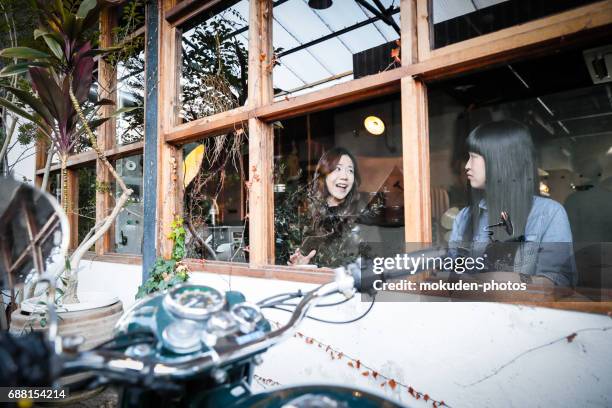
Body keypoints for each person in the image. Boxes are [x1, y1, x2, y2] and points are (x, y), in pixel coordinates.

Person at [448, 120, 576, 287]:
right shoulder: (464, 217)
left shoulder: (548, 214)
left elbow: (557, 284)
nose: (467, 166)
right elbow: (452, 278)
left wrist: (485, 281)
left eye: (474, 157)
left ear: (501, 160)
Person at [288, 147, 362, 267]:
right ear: (324, 174)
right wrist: (301, 264)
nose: (344, 176)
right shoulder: (305, 215)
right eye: (338, 169)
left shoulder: (361, 216)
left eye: (350, 170)